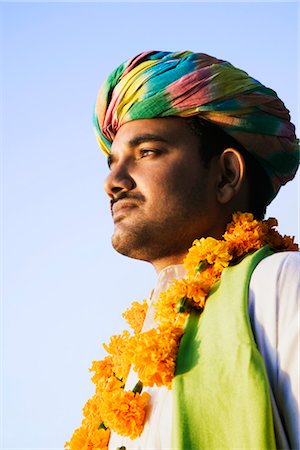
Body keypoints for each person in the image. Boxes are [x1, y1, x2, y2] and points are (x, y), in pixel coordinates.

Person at [66, 51, 299, 450]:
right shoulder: (134, 359)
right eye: (112, 162)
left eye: (147, 152)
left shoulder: (278, 284)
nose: (113, 182)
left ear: (226, 175)